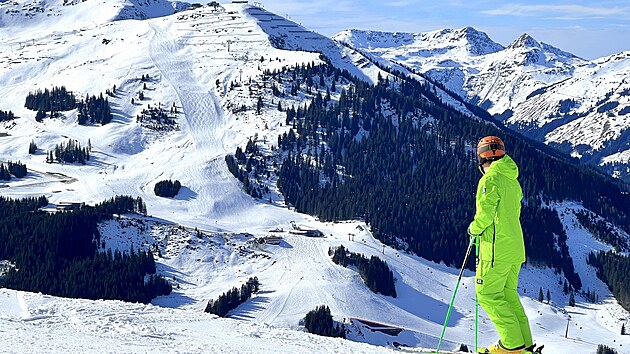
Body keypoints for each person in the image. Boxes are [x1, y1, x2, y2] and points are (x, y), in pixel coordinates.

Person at [467, 136, 534, 354]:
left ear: (481, 157)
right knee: (507, 295)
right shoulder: (511, 179)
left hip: (496, 249)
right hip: (514, 248)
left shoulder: (491, 179)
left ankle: (511, 345)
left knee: (486, 293)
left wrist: (473, 229)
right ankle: (525, 346)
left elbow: (485, 216)